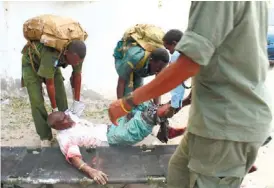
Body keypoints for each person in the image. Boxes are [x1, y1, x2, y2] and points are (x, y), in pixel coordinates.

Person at [108, 2, 272, 188]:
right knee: (177, 174)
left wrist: (127, 102)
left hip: (227, 125)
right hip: (209, 122)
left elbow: (189, 63)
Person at [47, 101, 186, 185]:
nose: (69, 117)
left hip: (112, 127)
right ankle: (184, 102)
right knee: (149, 116)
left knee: (140, 103)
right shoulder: (64, 138)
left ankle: (163, 130)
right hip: (113, 139)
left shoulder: (69, 118)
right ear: (58, 126)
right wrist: (91, 171)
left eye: (66, 116)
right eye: (64, 119)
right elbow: (73, 157)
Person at [21, 40, 86, 147]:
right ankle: (45, 136)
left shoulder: (78, 54)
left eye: (79, 62)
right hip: (32, 64)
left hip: (53, 66)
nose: (77, 64)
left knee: (61, 96)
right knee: (36, 100)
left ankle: (65, 131)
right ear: (66, 53)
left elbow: (77, 75)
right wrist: (54, 109)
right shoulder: (51, 54)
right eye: (75, 61)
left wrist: (76, 101)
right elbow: (49, 84)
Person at [113, 39, 170, 104]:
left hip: (140, 66)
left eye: (162, 68)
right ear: (151, 60)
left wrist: (156, 106)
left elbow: (157, 87)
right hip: (123, 58)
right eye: (158, 68)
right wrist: (119, 105)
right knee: (127, 94)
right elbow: (121, 82)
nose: (159, 71)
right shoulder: (134, 59)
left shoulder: (160, 66)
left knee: (137, 94)